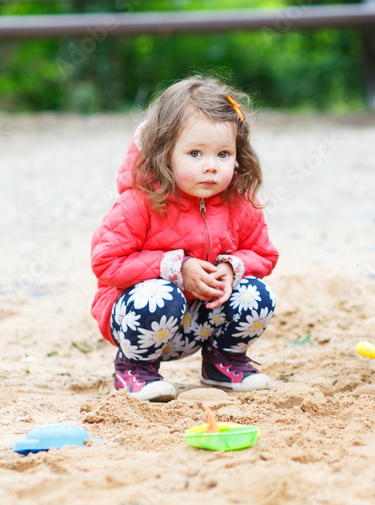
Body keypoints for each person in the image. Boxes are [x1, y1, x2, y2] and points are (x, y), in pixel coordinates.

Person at [91, 76, 279, 401]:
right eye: (195, 154)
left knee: (257, 294)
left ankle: (223, 364)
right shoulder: (140, 203)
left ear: (238, 155)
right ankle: (134, 370)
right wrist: (175, 267)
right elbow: (106, 263)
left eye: (223, 154)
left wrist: (234, 267)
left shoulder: (238, 201)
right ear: (165, 154)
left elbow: (264, 254)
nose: (211, 167)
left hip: (203, 321)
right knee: (159, 295)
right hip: (142, 320)